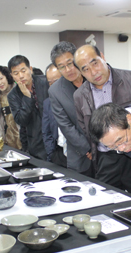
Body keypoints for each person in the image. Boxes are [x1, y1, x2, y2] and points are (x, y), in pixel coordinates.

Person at [74, 44, 131, 195]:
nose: (93, 72)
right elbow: (86, 129)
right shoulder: (80, 95)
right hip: (106, 158)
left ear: (103, 57)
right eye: (85, 69)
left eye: (95, 63)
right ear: (81, 73)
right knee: (105, 201)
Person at [49, 41, 93, 175]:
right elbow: (66, 126)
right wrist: (88, 149)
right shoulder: (55, 91)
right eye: (61, 67)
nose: (68, 70)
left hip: (109, 149)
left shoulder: (93, 77)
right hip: (82, 155)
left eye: (70, 63)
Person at [7, 55, 47, 160]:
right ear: (12, 76)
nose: (21, 76)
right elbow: (21, 120)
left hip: (56, 141)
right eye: (16, 73)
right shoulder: (13, 95)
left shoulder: (45, 82)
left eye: (23, 71)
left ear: (31, 69)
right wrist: (27, 97)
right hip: (36, 144)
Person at [0, 65, 22, 149]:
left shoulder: (18, 90)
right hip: (8, 134)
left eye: (1, 78)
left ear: (7, 77)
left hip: (22, 132)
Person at [42, 64, 67, 166]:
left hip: (78, 154)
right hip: (58, 152)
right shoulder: (48, 102)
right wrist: (51, 153)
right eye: (50, 83)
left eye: (56, 81)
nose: (53, 85)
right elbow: (46, 131)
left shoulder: (77, 97)